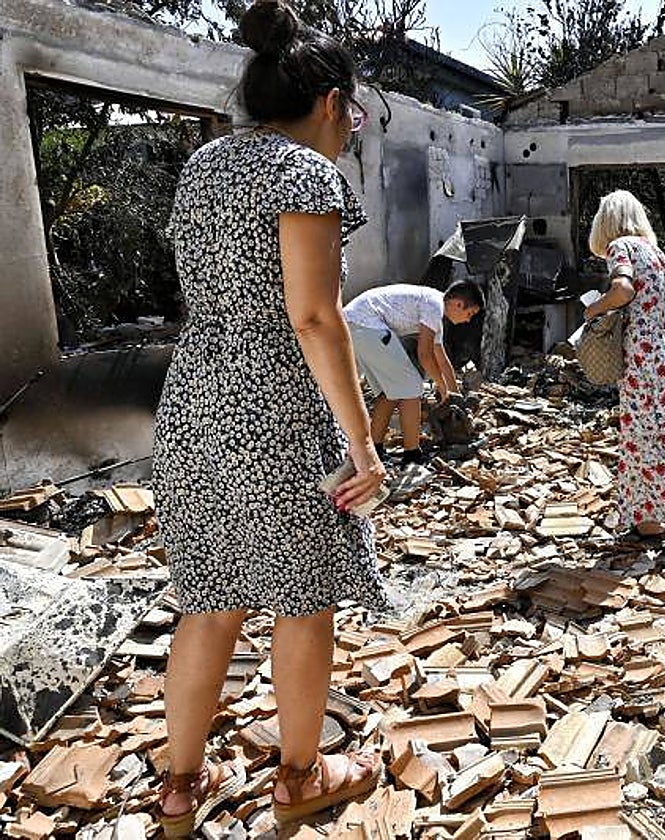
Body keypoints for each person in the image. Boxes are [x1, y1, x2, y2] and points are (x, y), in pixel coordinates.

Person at [152, 1, 385, 834]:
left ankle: (179, 789)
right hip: (276, 412)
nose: (350, 131)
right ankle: (299, 774)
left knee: (208, 600)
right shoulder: (304, 173)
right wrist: (362, 444)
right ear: (329, 103)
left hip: (192, 404)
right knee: (302, 598)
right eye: (353, 115)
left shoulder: (206, 164)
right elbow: (315, 317)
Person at [583, 190, 665, 561]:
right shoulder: (656, 253)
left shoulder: (621, 247)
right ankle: (646, 519)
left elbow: (622, 289)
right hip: (663, 356)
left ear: (607, 222)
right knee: (636, 442)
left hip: (643, 361)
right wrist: (659, 344)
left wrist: (593, 311)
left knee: (648, 444)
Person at [343, 280, 484, 463]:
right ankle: (412, 455)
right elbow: (424, 355)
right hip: (366, 323)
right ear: (458, 304)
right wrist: (442, 387)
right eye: (470, 313)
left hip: (357, 323)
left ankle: (375, 451)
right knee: (412, 386)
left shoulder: (434, 311)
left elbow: (441, 358)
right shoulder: (434, 306)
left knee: (390, 393)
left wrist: (453, 393)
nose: (468, 320)